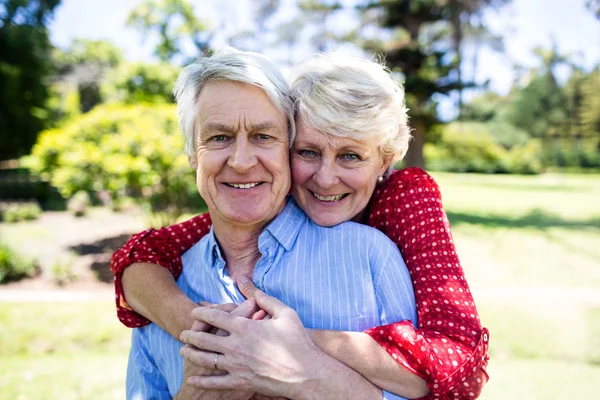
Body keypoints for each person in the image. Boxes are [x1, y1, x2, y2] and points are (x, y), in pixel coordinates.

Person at [112, 51, 490, 399]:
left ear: (385, 160)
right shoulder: (178, 272)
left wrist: (285, 350)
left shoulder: (390, 228)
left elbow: (455, 362)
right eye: (308, 152)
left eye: (351, 156)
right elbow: (151, 250)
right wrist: (205, 337)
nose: (325, 179)